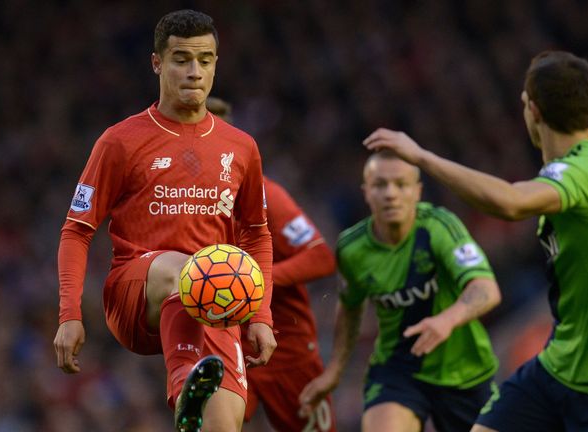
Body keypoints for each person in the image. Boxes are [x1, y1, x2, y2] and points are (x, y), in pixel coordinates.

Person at [363, 50, 588, 431]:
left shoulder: (585, 173)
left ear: (533, 110)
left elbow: (510, 203)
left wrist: (422, 157)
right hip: (560, 367)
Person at [52, 10, 277, 432]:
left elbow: (257, 235)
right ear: (157, 63)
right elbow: (77, 230)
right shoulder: (120, 141)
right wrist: (69, 314)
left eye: (205, 60)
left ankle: (193, 414)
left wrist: (261, 316)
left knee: (224, 425)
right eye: (181, 59)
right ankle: (183, 382)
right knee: (191, 270)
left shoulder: (241, 147)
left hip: (215, 299)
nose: (194, 72)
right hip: (138, 294)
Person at [299, 150, 502, 432]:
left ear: (417, 191)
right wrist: (335, 371)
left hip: (465, 370)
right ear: (366, 192)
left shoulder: (439, 227)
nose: (390, 194)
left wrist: (447, 320)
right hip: (398, 370)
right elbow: (350, 306)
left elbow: (486, 289)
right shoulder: (351, 249)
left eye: (401, 184)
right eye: (380, 185)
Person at [207, 96, 338, 432]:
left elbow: (321, 257)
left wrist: (252, 280)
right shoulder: (182, 205)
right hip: (227, 345)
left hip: (286, 348)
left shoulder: (266, 196)